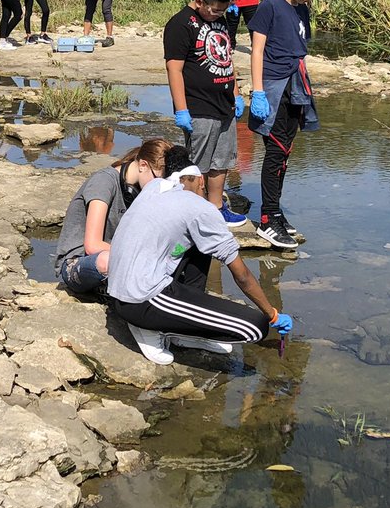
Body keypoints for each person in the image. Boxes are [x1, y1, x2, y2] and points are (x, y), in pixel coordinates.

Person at [107, 146, 293, 366]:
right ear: (201, 181)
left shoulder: (155, 187)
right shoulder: (200, 208)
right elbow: (242, 276)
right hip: (141, 301)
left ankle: (184, 332)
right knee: (254, 327)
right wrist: (272, 314)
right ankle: (151, 328)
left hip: (118, 290)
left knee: (200, 243)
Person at [248, 0, 327, 250]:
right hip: (273, 86)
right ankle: (267, 218)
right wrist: (257, 91)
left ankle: (276, 210)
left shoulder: (301, 8)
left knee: (286, 151)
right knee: (275, 150)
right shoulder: (269, 6)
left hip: (296, 84)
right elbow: (257, 51)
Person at [164, 0, 249, 228]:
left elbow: (226, 60)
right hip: (198, 106)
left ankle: (216, 208)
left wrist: (236, 94)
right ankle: (194, 212)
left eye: (223, 10)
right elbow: (174, 69)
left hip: (225, 104)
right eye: (215, 10)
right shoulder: (180, 24)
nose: (218, 14)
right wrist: (182, 110)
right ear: (200, 2)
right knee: (198, 164)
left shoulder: (218, 20)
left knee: (222, 161)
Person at [54, 138, 172, 294]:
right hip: (78, 264)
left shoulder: (140, 191)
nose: (159, 187)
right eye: (158, 180)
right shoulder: (104, 181)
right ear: (143, 165)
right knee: (107, 260)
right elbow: (92, 245)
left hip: (119, 259)